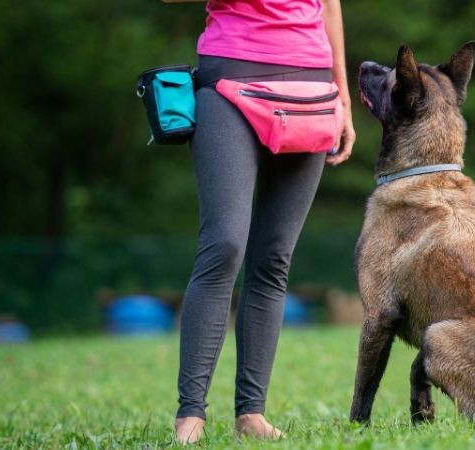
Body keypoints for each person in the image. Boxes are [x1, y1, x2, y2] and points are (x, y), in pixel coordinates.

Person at [161, 0, 355, 444]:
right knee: (225, 245)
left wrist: (341, 94)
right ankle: (190, 415)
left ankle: (251, 412)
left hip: (310, 85)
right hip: (230, 77)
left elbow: (329, 5)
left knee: (273, 258)